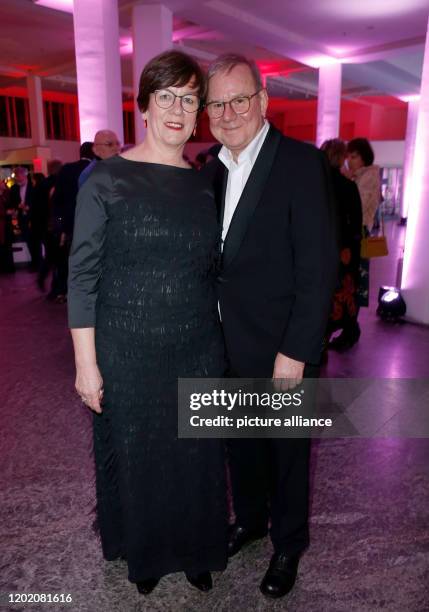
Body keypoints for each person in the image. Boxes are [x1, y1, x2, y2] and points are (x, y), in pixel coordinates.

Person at [68, 50, 228, 596]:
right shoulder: (105, 179)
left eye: (189, 98)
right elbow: (82, 276)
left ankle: (198, 547)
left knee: (196, 452)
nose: (179, 109)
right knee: (139, 452)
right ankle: (148, 552)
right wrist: (86, 367)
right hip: (127, 349)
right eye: (167, 97)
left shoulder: (207, 182)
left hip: (198, 345)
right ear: (143, 106)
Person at [203, 54, 338, 599]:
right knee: (241, 446)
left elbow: (318, 267)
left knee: (286, 453)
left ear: (263, 102)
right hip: (224, 345)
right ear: (207, 112)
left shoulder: (301, 164)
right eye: (218, 103)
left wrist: (297, 350)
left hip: (282, 349)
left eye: (240, 99)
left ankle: (288, 543)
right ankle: (252, 520)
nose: (229, 112)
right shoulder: (209, 170)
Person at [321, 139, 363, 350]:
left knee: (321, 295)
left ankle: (321, 340)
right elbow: (356, 223)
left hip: (320, 251)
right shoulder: (348, 186)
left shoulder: (315, 185)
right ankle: (346, 330)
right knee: (342, 293)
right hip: (343, 252)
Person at [50, 142, 94, 302]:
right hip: (91, 223)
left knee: (69, 259)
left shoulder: (67, 169)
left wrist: (60, 223)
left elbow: (57, 199)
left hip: (70, 224)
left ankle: (65, 291)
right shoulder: (97, 170)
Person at [344, 137, 382, 310]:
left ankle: (352, 326)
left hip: (360, 232)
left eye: (354, 157)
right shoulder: (358, 176)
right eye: (348, 157)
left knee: (356, 277)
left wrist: (347, 181)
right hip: (356, 231)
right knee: (352, 277)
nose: (349, 161)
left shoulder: (369, 176)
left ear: (364, 157)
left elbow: (357, 204)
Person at [9, 167, 35, 268]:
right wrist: (18, 206)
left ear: (24, 175)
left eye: (18, 176)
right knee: (28, 240)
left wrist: (28, 207)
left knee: (34, 241)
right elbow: (13, 202)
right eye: (16, 176)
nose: (17, 178)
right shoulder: (14, 188)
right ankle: (33, 262)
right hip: (22, 218)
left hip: (33, 218)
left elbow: (37, 201)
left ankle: (36, 262)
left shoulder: (33, 186)